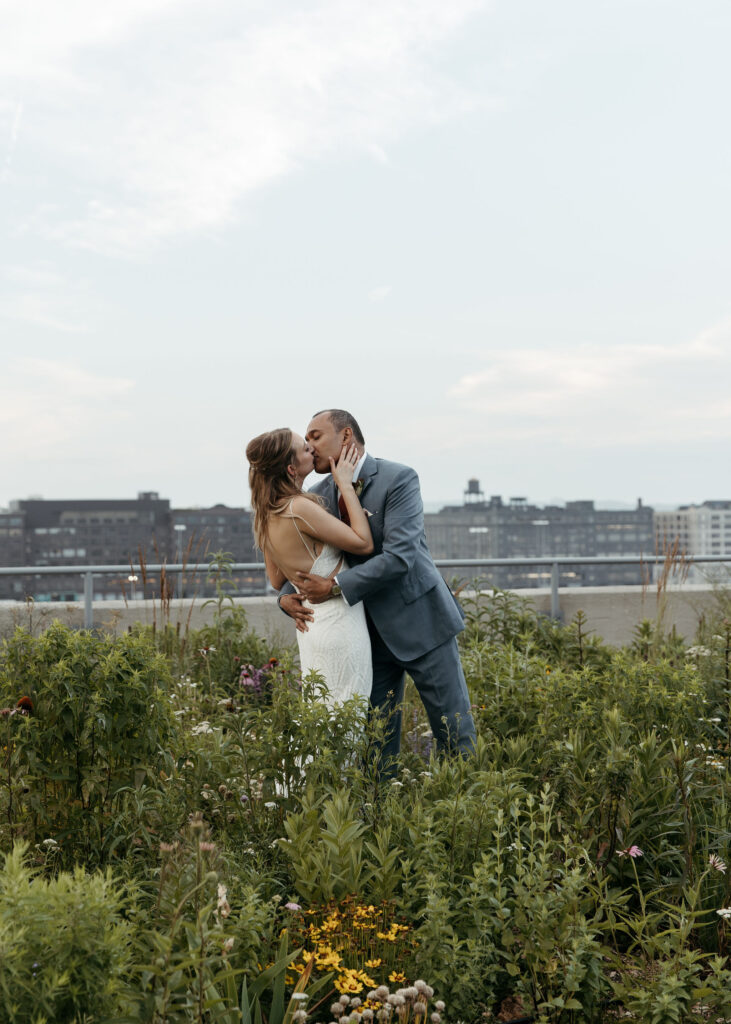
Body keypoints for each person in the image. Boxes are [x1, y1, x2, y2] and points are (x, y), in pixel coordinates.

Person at [278, 409, 476, 770]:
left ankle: (469, 816)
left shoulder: (398, 478)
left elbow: (400, 557)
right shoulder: (316, 496)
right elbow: (291, 550)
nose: (308, 446)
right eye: (305, 440)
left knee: (454, 732)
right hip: (364, 636)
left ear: (346, 436)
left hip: (422, 624)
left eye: (315, 436)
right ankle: (380, 818)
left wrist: (335, 586)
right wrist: (283, 596)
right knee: (376, 745)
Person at [246, 427, 374, 707]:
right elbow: (363, 543)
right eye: (304, 448)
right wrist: (345, 486)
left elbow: (277, 579)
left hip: (311, 628)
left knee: (320, 715)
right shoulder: (299, 508)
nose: (312, 450)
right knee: (348, 712)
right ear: (292, 469)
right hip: (340, 625)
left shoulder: (266, 515)